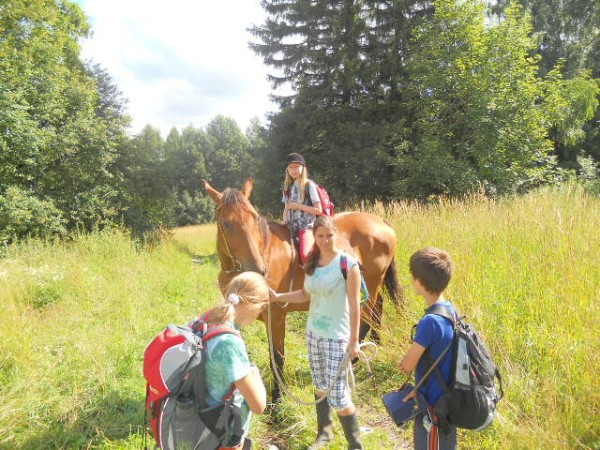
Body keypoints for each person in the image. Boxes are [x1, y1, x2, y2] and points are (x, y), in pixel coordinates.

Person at [270, 215, 363, 450]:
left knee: (339, 396)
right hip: (313, 334)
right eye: (320, 236)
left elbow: (355, 305)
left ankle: (356, 445)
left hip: (337, 337)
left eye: (329, 235)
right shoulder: (312, 264)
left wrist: (354, 342)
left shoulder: (347, 265)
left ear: (336, 235)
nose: (325, 240)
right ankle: (324, 434)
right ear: (315, 237)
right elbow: (305, 295)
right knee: (320, 385)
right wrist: (280, 297)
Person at [201, 271, 270, 450]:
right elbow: (258, 405)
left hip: (194, 419)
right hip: (219, 433)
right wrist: (255, 374)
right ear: (257, 306)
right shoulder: (229, 343)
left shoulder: (206, 319)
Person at [398, 247, 458, 450]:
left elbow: (408, 366)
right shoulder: (450, 311)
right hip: (447, 400)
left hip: (433, 407)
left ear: (418, 281)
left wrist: (404, 362)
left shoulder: (430, 322)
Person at [282, 152, 323, 264]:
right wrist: (284, 219)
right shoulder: (287, 187)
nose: (293, 170)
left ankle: (317, 279)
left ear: (303, 167)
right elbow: (286, 208)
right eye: (290, 167)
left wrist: (298, 206)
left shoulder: (309, 185)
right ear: (287, 170)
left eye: (296, 166)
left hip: (306, 227)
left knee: (305, 255)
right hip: (291, 228)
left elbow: (318, 210)